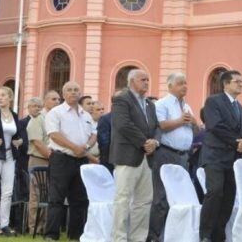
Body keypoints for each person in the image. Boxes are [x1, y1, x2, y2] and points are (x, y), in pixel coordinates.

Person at [199, 70, 242, 242]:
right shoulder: (213, 101)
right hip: (214, 156)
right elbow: (215, 126)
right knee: (215, 192)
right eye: (237, 81)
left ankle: (218, 234)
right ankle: (205, 234)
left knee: (229, 196)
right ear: (226, 84)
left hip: (233, 160)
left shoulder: (241, 109)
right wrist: (237, 142)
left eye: (241, 82)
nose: (240, 84)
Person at [148, 72, 199, 242]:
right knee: (161, 197)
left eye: (185, 83)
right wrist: (180, 120)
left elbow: (196, 130)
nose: (184, 86)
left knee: (178, 197)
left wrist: (193, 122)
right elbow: (161, 125)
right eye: (180, 83)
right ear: (169, 86)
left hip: (184, 156)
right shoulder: (162, 104)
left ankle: (172, 235)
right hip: (166, 153)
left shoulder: (187, 106)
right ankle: (155, 237)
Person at [44, 81, 98, 241]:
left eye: (76, 90)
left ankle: (75, 235)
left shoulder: (86, 114)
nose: (73, 92)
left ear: (80, 93)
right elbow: (53, 134)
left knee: (80, 199)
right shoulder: (55, 113)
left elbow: (94, 134)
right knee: (56, 198)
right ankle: (51, 235)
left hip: (81, 160)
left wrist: (86, 146)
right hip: (61, 159)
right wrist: (74, 147)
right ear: (63, 94)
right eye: (69, 90)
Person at [111, 69, 160, 242]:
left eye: (147, 79)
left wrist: (154, 141)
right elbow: (122, 124)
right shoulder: (121, 99)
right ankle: (120, 238)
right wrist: (144, 142)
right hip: (127, 156)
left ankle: (138, 238)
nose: (147, 82)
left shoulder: (150, 104)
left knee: (144, 201)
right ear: (131, 81)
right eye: (143, 79)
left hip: (147, 158)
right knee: (123, 200)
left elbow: (156, 127)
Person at [0, 87, 24, 235]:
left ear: (10, 98)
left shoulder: (15, 115)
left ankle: (4, 224)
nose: (0, 98)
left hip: (10, 156)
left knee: (7, 192)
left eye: (3, 95)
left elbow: (16, 135)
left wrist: (19, 140)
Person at [27, 90, 60, 234]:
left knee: (49, 195)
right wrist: (53, 157)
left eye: (59, 99)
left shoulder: (57, 118)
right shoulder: (38, 119)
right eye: (53, 99)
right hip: (39, 160)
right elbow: (38, 142)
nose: (57, 101)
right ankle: (34, 228)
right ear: (45, 101)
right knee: (37, 196)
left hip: (53, 161)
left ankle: (46, 227)